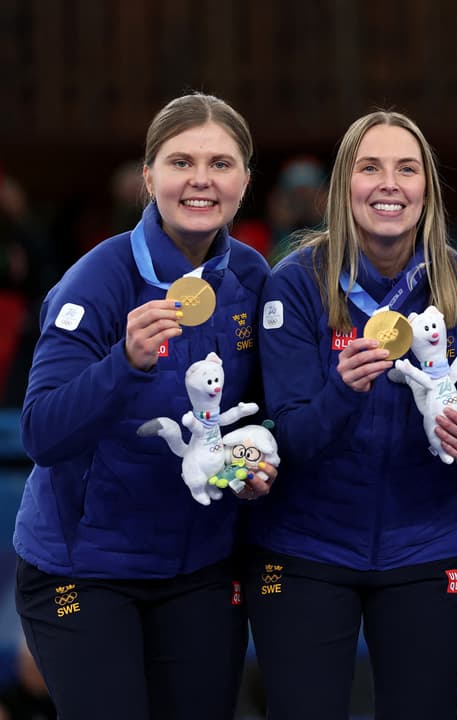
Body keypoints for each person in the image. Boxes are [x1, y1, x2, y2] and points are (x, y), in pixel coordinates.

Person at [15, 92, 274, 720]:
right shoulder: (95, 281)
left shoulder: (254, 278)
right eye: (181, 161)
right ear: (148, 178)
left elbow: (265, 412)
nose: (201, 180)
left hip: (201, 569)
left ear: (243, 180)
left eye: (221, 163)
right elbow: (41, 433)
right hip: (85, 570)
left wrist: (254, 461)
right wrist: (124, 363)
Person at [247, 111, 457, 719]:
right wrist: (343, 391)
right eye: (370, 168)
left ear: (427, 189)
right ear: (343, 187)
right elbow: (287, 439)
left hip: (429, 546)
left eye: (406, 169)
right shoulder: (294, 287)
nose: (389, 184)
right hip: (305, 547)